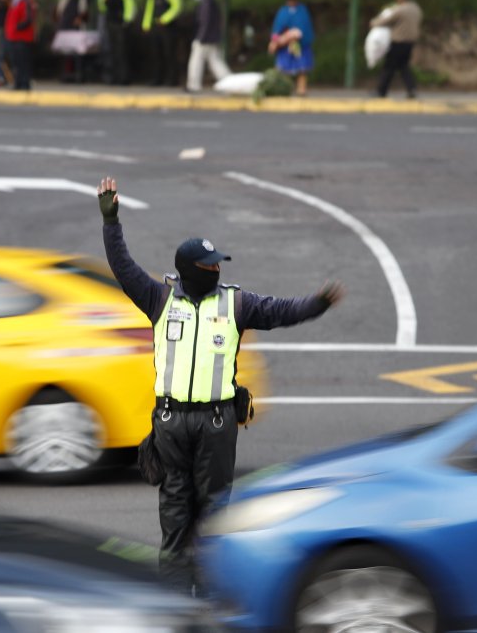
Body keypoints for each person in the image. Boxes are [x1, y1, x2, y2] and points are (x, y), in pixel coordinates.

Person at [95, 177, 345, 593]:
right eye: (209, 266)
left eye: (217, 265)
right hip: (171, 425)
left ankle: (211, 596)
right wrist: (111, 221)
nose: (216, 270)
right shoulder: (160, 300)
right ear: (190, 270)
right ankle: (178, 604)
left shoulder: (236, 303)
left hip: (216, 424)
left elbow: (281, 311)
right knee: (175, 515)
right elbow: (123, 267)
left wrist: (316, 304)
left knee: (214, 518)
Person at [371, 0, 422, 99]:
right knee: (403, 66)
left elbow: (386, 21)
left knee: (389, 66)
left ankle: (381, 91)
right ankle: (412, 89)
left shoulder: (400, 10)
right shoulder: (416, 9)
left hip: (398, 41)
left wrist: (373, 23)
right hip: (410, 42)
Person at [185, 0, 231, 93]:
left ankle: (193, 85)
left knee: (196, 61)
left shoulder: (207, 2)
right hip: (211, 37)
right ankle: (230, 83)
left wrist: (200, 38)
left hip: (204, 38)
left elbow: (205, 22)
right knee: (215, 62)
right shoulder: (210, 1)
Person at [269, 0, 315, 96]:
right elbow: (276, 29)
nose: (291, 2)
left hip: (301, 44)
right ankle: (284, 88)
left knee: (302, 68)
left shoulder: (302, 10)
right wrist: (276, 41)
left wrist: (294, 38)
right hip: (284, 46)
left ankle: (301, 89)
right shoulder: (283, 12)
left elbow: (304, 28)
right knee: (284, 69)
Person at [142, 0, 182, 87]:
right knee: (156, 53)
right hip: (155, 26)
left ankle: (172, 79)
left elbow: (177, 6)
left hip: (168, 27)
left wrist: (165, 19)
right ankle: (157, 78)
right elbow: (149, 8)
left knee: (169, 53)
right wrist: (146, 24)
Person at [99, 0, 136, 85]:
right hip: (110, 22)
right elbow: (101, 4)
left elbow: (129, 4)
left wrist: (127, 20)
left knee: (121, 51)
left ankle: (124, 77)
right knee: (111, 51)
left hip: (120, 23)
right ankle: (113, 77)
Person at [4, 0, 35, 91]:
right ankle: (18, 82)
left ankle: (24, 83)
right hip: (13, 36)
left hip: (21, 37)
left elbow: (28, 19)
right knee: (15, 61)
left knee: (22, 61)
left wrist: (17, 28)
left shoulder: (24, 1)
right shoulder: (14, 1)